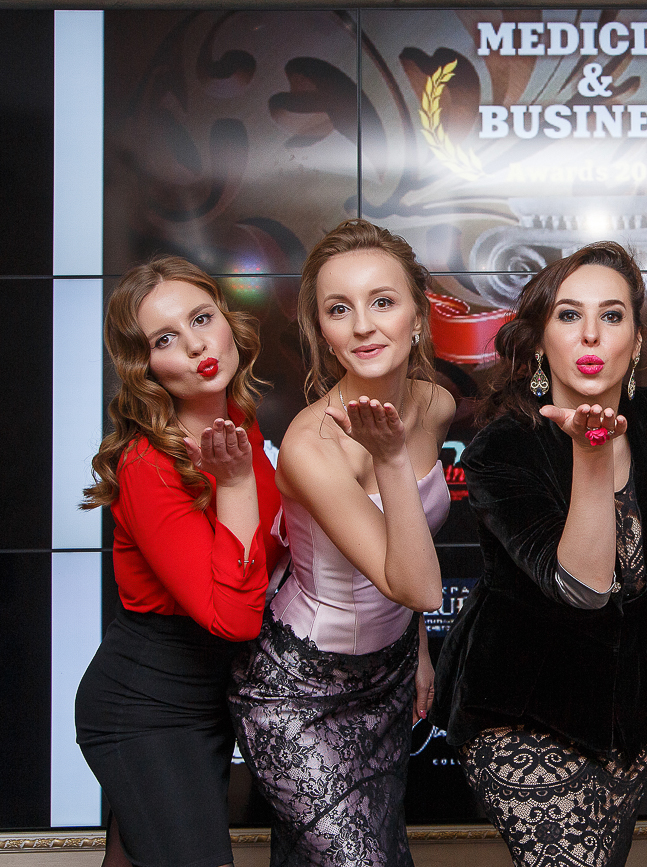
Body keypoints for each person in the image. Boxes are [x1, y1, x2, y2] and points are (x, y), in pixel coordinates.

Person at [432, 241, 647, 867]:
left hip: (628, 720)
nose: (591, 333)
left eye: (612, 315)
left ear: (638, 341)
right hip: (524, 714)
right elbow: (583, 586)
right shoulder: (502, 449)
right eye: (569, 315)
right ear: (541, 341)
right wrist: (592, 454)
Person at [228, 219, 454, 866]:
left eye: (382, 301)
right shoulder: (311, 446)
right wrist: (389, 458)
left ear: (418, 315)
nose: (362, 326)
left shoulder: (435, 405)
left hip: (387, 679)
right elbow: (419, 585)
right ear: (321, 332)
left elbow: (403, 544)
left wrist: (416, 649)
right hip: (298, 690)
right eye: (338, 309)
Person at [76, 256, 283, 867]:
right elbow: (234, 618)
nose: (196, 345)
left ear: (228, 322)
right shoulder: (149, 464)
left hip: (208, 697)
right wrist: (236, 483)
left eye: (202, 318)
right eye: (165, 339)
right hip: (146, 706)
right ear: (144, 366)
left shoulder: (237, 425)